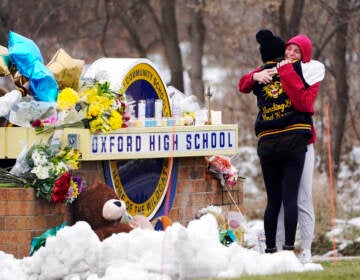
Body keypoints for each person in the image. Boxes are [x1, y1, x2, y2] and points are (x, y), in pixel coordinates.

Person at [238, 29, 314, 254]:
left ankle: (271, 249)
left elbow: (242, 85)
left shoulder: (261, 74)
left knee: (273, 201)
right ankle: (289, 249)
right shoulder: (297, 69)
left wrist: (254, 75)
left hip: (268, 142)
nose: (290, 53)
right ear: (282, 52)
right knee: (291, 198)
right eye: (287, 49)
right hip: (293, 139)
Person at [275, 34, 325, 264]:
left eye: (296, 51)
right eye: (289, 49)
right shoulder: (278, 69)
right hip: (280, 142)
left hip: (303, 144)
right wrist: (256, 75)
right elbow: (245, 84)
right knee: (283, 198)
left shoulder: (312, 73)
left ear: (304, 55)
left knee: (303, 197)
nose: (290, 54)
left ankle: (306, 250)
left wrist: (286, 73)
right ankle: (278, 249)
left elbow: (303, 103)